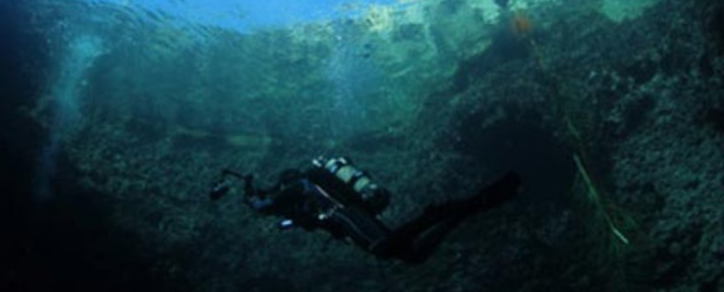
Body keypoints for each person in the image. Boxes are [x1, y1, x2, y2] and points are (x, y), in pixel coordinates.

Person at [210, 156, 521, 263]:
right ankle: (466, 210)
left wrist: (249, 193)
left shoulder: (298, 186)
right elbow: (284, 213)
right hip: (351, 215)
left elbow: (264, 206)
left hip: (345, 215)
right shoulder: (301, 194)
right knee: (412, 256)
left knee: (383, 248)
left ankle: (433, 214)